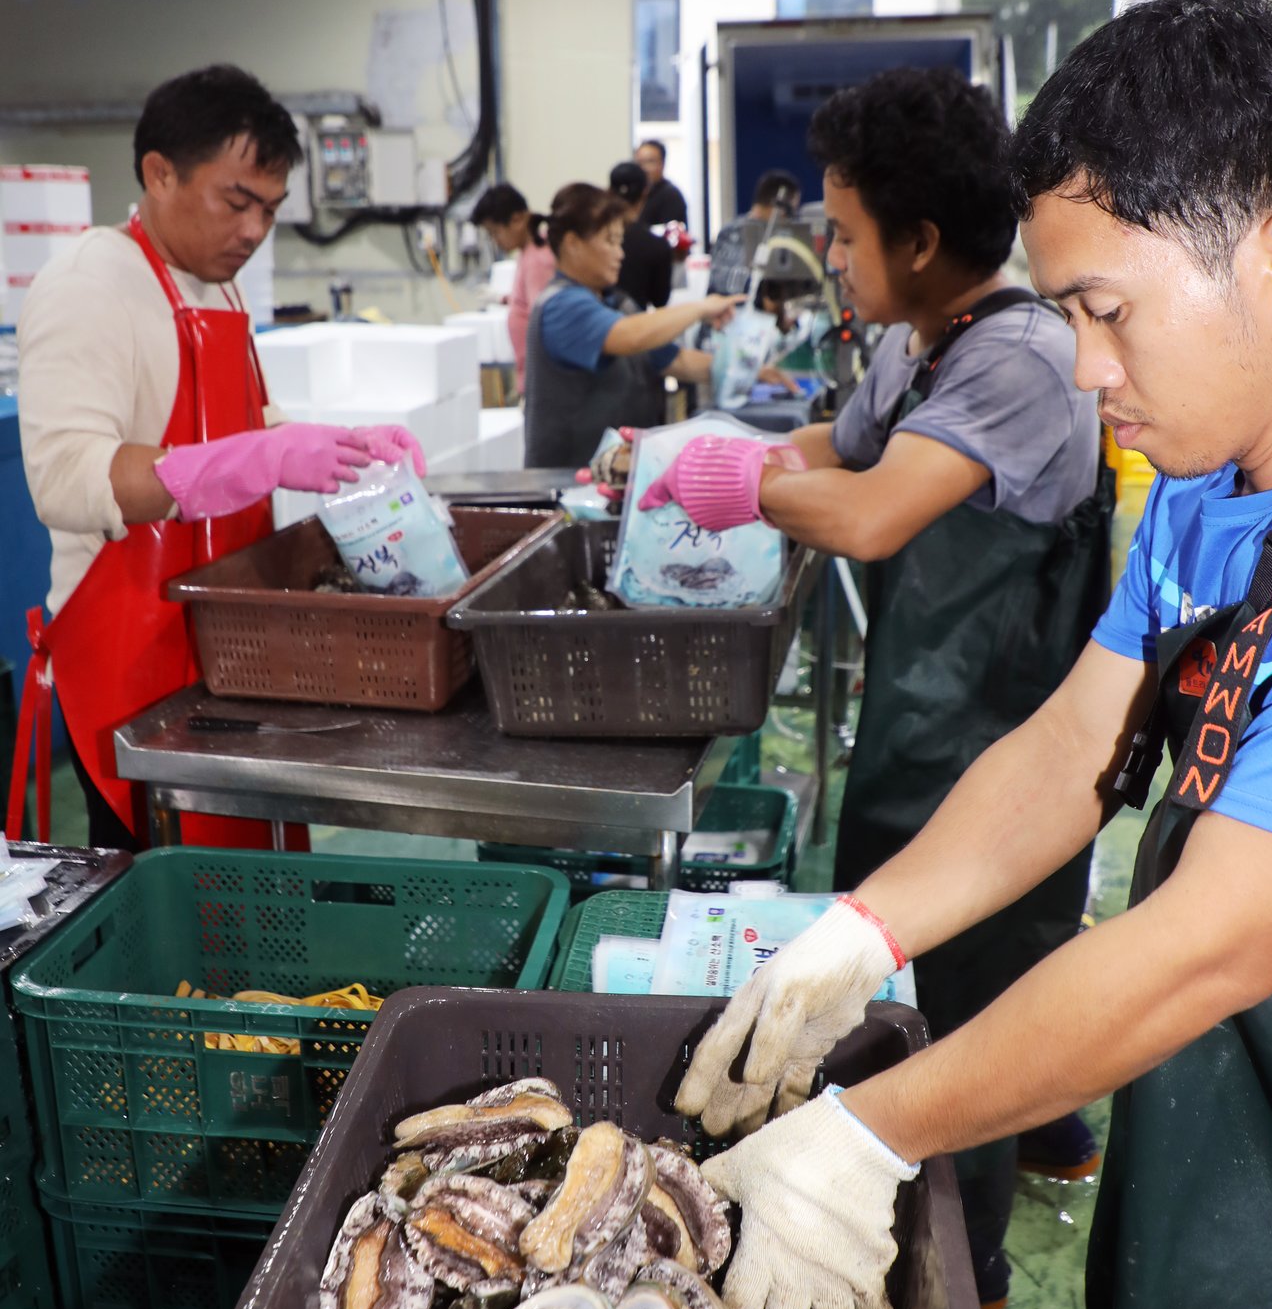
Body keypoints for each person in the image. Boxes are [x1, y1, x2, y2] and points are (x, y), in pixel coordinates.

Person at [673, 0, 1272, 1309]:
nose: (1081, 363)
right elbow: (1076, 744)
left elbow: (1211, 937)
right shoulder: (1224, 484)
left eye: (1106, 308)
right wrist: (869, 924)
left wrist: (869, 1132)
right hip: (1216, 1162)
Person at [641, 66, 1113, 1309]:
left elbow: (865, 511)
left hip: (998, 724)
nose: (831, 259)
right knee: (968, 955)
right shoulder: (928, 344)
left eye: (845, 236)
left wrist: (740, 490)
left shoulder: (1018, 356)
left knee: (972, 986)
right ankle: (1055, 1132)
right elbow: (836, 451)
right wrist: (709, 453)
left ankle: (976, 1276)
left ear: (916, 240)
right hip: (928, 709)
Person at [10, 65, 422, 853]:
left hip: (225, 648)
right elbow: (64, 479)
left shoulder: (217, 289)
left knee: (249, 870)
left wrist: (337, 446)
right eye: (237, 202)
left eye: (269, 210)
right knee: (159, 891)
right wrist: (242, 463)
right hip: (127, 658)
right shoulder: (90, 285)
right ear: (159, 173)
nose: (254, 230)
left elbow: (250, 421)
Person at [522, 182, 739, 472]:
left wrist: (747, 369)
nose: (620, 254)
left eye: (620, 241)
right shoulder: (562, 306)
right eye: (609, 241)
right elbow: (630, 337)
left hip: (614, 477)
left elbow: (677, 360)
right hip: (568, 484)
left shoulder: (616, 303)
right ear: (573, 244)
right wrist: (700, 308)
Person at [469, 181, 554, 388]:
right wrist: (504, 299)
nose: (495, 240)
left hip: (542, 379)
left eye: (495, 232)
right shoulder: (528, 252)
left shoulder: (537, 259)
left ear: (517, 220)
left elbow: (543, 320)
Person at [708, 167, 803, 297]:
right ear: (779, 207)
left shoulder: (786, 235)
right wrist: (765, 290)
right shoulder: (733, 232)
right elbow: (720, 281)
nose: (790, 218)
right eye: (791, 211)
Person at [607, 161, 673, 312]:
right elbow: (660, 300)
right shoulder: (656, 245)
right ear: (645, 190)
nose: (618, 253)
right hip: (634, 326)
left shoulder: (591, 238)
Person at [635, 138, 688, 233]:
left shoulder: (671, 195)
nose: (644, 168)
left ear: (662, 164)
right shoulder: (635, 194)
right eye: (640, 162)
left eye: (650, 161)